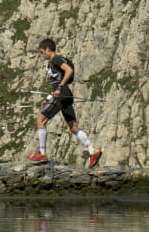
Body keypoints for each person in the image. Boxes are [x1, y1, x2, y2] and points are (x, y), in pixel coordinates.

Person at [27, 38, 101, 169]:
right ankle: (92, 151)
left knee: (40, 121)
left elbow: (69, 71)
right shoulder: (53, 62)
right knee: (73, 127)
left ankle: (42, 154)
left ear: (48, 50)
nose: (41, 55)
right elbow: (59, 81)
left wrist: (60, 87)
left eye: (42, 52)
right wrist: (50, 97)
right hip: (65, 95)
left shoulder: (55, 59)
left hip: (62, 93)